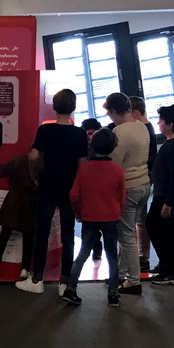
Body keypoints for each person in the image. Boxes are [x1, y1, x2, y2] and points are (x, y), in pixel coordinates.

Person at [26, 89, 88, 294]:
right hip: (69, 187)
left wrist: (35, 174)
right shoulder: (79, 133)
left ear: (54, 106)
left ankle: (37, 280)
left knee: (42, 232)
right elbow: (82, 163)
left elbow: (34, 156)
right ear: (74, 107)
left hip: (47, 184)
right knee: (68, 235)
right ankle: (64, 283)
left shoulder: (45, 131)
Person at [66, 129, 125, 306]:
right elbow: (122, 197)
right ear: (113, 147)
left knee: (83, 252)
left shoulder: (84, 168)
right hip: (111, 216)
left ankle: (71, 288)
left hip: (89, 216)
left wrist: (78, 211)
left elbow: (74, 194)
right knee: (112, 255)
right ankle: (113, 293)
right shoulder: (117, 170)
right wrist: (117, 212)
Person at [103, 93, 150, 295]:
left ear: (114, 111)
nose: (109, 117)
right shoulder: (142, 126)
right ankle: (120, 274)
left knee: (127, 236)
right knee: (129, 231)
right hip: (145, 184)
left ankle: (132, 280)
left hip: (128, 186)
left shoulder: (119, 132)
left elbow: (114, 166)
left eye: (109, 113)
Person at [146, 105, 174, 286]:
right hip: (161, 195)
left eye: (161, 120)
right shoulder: (172, 143)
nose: (158, 123)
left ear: (169, 125)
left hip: (166, 197)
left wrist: (169, 203)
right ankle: (165, 264)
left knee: (168, 231)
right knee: (156, 227)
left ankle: (172, 269)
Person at [0, 155, 37, 284]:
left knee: (4, 234)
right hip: (30, 201)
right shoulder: (41, 163)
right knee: (28, 237)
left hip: (13, 199)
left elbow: (0, 172)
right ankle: (25, 269)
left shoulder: (18, 159)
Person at [128, 96, 157, 272]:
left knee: (138, 220)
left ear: (136, 113)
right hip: (146, 176)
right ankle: (142, 254)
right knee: (140, 219)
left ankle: (141, 255)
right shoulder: (148, 128)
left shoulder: (143, 129)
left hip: (140, 177)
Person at [79, 118, 103, 262]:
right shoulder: (82, 149)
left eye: (92, 134)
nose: (89, 137)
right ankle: (93, 247)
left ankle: (96, 247)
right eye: (87, 134)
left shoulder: (102, 150)